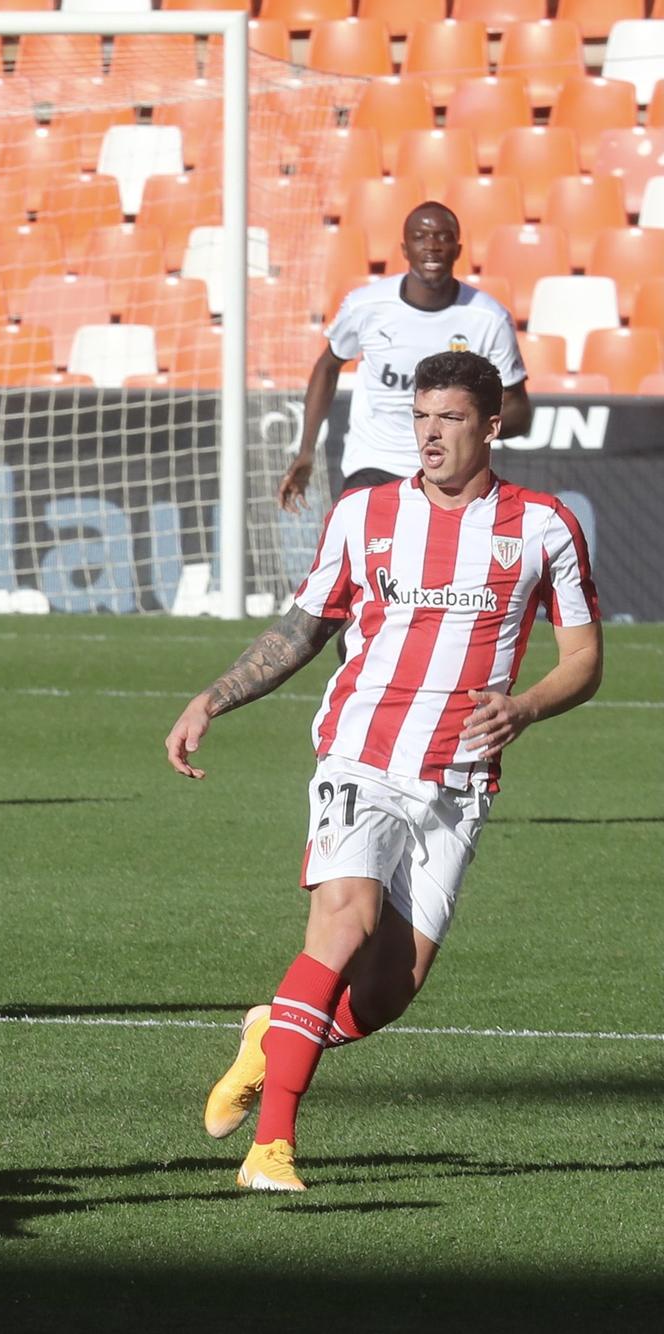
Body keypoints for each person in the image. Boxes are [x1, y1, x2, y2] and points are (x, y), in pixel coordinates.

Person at [166, 351, 601, 1193]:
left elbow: (583, 659)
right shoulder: (365, 513)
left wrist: (527, 707)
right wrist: (213, 700)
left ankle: (269, 1036)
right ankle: (272, 1149)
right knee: (342, 920)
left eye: (450, 419)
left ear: (491, 425)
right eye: (420, 418)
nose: (430, 436)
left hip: (459, 780)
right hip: (362, 752)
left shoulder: (545, 525)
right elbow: (302, 630)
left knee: (390, 990)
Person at [280, 202, 531, 514]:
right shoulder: (365, 306)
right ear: (404, 248)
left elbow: (520, 411)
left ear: (458, 248)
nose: (432, 246)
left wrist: (467, 427)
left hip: (451, 474)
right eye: (421, 237)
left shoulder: (488, 317)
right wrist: (306, 451)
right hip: (374, 463)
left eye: (442, 237)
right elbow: (328, 366)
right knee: (364, 558)